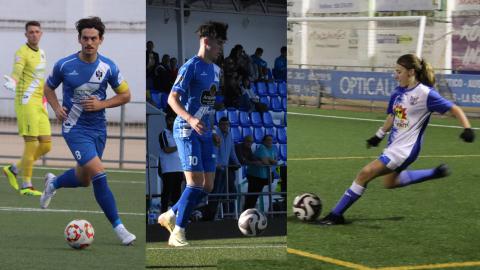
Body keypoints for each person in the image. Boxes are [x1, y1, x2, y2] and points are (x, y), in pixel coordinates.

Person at [320, 54, 475, 225]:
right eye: (395, 71)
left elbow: (454, 109)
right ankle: (435, 172)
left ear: (411, 72)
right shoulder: (397, 92)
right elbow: (393, 116)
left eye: (398, 71)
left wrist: (467, 128)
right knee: (390, 183)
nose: (395, 75)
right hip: (394, 146)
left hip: (405, 150)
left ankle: (335, 215)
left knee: (365, 174)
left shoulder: (425, 94)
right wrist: (378, 136)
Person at [39, 16, 136, 245]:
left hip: (98, 129)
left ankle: (53, 183)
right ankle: (120, 229)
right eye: (85, 38)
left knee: (84, 179)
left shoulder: (109, 67)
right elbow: (48, 87)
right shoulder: (64, 65)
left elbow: (126, 95)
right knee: (99, 174)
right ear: (79, 39)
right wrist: (55, 107)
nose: (89, 42)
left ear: (100, 40)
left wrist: (102, 104)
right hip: (75, 128)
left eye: (93, 38)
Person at [157, 21, 228, 247]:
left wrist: (213, 129)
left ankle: (171, 214)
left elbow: (209, 104)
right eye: (219, 43)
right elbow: (171, 99)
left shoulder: (217, 71)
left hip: (205, 132)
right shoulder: (191, 67)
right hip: (187, 129)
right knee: (195, 183)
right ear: (206, 42)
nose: (221, 48)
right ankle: (178, 232)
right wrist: (191, 118)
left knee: (207, 186)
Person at [2, 21, 51, 196]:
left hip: (39, 103)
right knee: (32, 144)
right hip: (26, 102)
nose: (34, 35)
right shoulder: (22, 53)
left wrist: (45, 99)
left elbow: (40, 78)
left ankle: (13, 168)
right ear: (26, 35)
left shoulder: (43, 53)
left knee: (46, 145)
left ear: (41, 33)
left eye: (37, 31)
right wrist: (13, 81)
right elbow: (17, 70)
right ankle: (26, 184)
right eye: (31, 32)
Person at [203, 117, 241, 220]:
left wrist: (237, 162)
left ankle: (217, 215)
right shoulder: (215, 134)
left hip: (225, 168)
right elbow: (213, 150)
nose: (225, 126)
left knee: (221, 194)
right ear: (219, 125)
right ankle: (209, 216)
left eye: (227, 124)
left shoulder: (229, 135)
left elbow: (232, 151)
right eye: (223, 124)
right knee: (215, 193)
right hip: (216, 169)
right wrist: (215, 163)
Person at [159, 113, 185, 213]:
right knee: (166, 192)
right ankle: (163, 213)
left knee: (177, 193)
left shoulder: (179, 134)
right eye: (170, 120)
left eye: (174, 120)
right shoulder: (163, 134)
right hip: (168, 169)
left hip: (179, 168)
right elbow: (166, 149)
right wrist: (178, 146)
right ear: (167, 121)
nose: (172, 122)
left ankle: (175, 214)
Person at [243, 135, 278, 210]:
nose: (270, 141)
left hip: (263, 177)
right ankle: (246, 212)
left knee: (254, 197)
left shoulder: (272, 149)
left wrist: (269, 160)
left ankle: (249, 212)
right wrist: (270, 160)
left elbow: (275, 161)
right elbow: (267, 162)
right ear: (263, 141)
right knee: (252, 197)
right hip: (255, 176)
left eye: (271, 140)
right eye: (268, 140)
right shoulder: (262, 148)